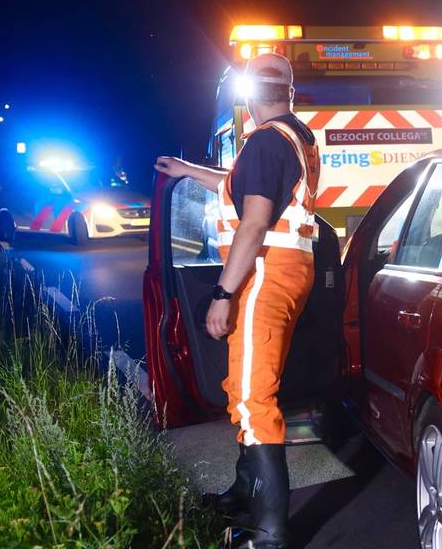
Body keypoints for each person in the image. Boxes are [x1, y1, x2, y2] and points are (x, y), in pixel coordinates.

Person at [154, 52, 318, 549]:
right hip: (282, 272)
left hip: (264, 274)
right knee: (242, 385)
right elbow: (235, 187)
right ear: (289, 92)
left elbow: (254, 222)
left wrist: (223, 293)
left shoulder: (267, 142)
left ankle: (270, 536)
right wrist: (188, 170)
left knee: (253, 399)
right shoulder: (294, 137)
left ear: (249, 95)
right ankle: (245, 493)